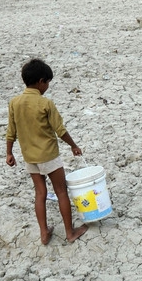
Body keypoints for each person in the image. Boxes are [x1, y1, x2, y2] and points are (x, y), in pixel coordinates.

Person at [6, 58, 89, 245]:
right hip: (48, 155)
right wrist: (74, 146)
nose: (48, 86)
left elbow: (11, 131)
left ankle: (44, 233)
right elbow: (60, 130)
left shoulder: (15, 102)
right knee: (61, 192)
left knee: (40, 193)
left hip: (29, 157)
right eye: (48, 82)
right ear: (41, 81)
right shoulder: (45, 103)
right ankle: (70, 232)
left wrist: (9, 153)